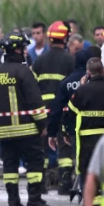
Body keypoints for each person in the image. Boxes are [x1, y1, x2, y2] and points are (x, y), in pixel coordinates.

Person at [0, 34, 55, 206]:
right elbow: (34, 101)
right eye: (24, 49)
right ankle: (35, 200)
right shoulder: (24, 71)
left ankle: (13, 202)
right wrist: (43, 124)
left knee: (10, 166)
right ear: (18, 50)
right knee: (35, 162)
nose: (26, 52)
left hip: (4, 131)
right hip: (27, 129)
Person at [59, 58, 104, 206]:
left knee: (91, 179)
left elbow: (69, 115)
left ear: (88, 73)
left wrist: (66, 132)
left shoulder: (82, 91)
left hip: (88, 143)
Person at [32, 21, 79, 195]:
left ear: (50, 39)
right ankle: (65, 183)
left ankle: (41, 185)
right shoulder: (70, 60)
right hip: (64, 109)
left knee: (43, 147)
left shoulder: (40, 60)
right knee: (64, 146)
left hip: (43, 110)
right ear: (65, 38)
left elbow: (33, 86)